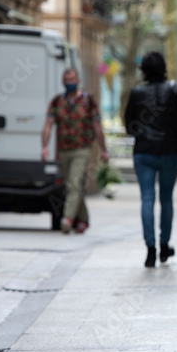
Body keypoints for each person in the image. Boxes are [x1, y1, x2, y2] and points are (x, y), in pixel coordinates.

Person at [124, 52, 177, 267]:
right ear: (164, 67)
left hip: (144, 151)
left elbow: (129, 125)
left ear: (143, 69)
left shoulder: (136, 92)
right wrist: (173, 132)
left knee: (147, 198)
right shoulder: (175, 89)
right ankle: (164, 245)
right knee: (166, 199)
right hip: (169, 151)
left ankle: (150, 249)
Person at [41, 68, 109, 234]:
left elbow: (97, 127)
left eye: (72, 79)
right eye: (66, 79)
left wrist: (103, 149)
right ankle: (83, 219)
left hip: (82, 149)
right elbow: (48, 125)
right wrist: (44, 147)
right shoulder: (57, 101)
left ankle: (68, 219)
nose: (69, 82)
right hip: (63, 150)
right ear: (62, 81)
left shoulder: (88, 101)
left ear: (78, 80)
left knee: (73, 184)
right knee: (74, 186)